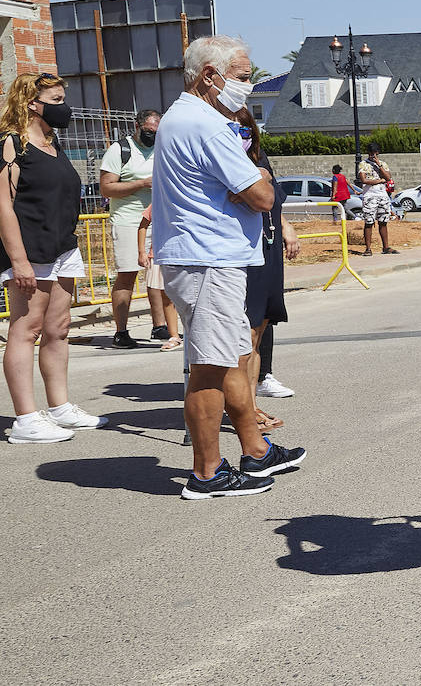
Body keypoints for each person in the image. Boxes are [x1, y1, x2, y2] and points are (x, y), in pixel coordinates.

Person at [153, 34, 305, 498]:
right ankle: (206, 473)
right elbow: (262, 195)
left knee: (234, 358)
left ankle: (255, 451)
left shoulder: (186, 118)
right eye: (242, 77)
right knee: (209, 366)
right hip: (206, 259)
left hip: (210, 258)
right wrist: (259, 176)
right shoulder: (206, 125)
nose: (248, 85)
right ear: (209, 76)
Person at [0, 72, 105, 444]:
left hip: (62, 248)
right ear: (30, 103)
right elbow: (1, 206)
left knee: (60, 328)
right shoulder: (8, 144)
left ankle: (59, 407)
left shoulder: (53, 144)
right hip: (30, 250)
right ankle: (25, 419)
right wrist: (19, 262)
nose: (62, 107)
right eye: (54, 100)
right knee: (27, 329)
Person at [235, 107, 301, 418]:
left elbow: (273, 200)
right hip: (244, 250)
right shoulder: (225, 160)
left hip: (269, 244)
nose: (243, 134)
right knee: (246, 333)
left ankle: (251, 402)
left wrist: (286, 224)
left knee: (259, 329)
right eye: (236, 129)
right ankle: (243, 409)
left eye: (246, 129)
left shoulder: (258, 157)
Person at [100, 109, 166, 348]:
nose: (153, 136)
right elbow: (106, 189)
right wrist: (141, 183)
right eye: (149, 132)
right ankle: (121, 331)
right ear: (137, 126)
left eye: (157, 133)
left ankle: (160, 326)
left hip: (158, 219)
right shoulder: (120, 150)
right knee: (128, 274)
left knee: (157, 275)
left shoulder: (162, 148)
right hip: (128, 220)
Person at [135, 205, 181, 351]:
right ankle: (174, 336)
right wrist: (142, 252)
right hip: (160, 254)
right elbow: (143, 225)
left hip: (183, 254)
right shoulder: (157, 201)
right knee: (166, 297)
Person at [357, 143, 398, 255]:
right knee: (369, 222)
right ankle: (368, 248)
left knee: (383, 221)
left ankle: (386, 247)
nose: (373, 156)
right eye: (371, 153)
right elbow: (364, 180)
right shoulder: (363, 164)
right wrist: (379, 181)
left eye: (375, 153)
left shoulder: (383, 164)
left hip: (382, 195)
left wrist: (378, 165)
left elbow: (388, 177)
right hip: (370, 196)